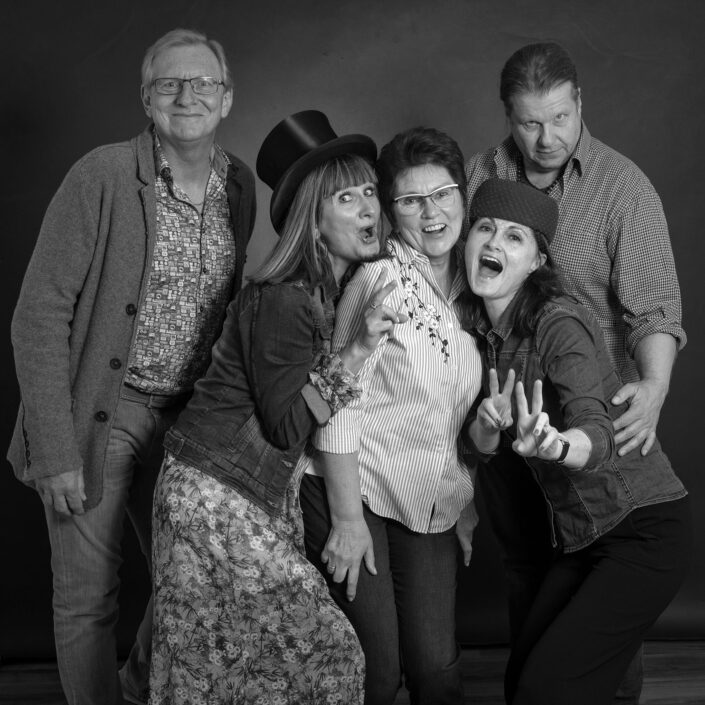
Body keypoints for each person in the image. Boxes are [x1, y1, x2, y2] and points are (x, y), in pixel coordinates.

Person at [7, 28, 255, 705]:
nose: (187, 95)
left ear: (227, 98)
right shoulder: (103, 175)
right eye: (169, 83)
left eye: (202, 82)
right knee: (88, 600)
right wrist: (54, 448)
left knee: (196, 579)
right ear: (147, 99)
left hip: (188, 422)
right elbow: (37, 316)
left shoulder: (239, 185)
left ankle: (133, 689)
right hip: (101, 413)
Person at [148, 110, 406, 705]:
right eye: (346, 197)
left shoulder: (325, 292)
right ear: (313, 221)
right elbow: (287, 426)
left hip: (243, 493)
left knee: (226, 669)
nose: (368, 208)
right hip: (214, 497)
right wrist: (356, 351)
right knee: (322, 655)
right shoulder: (285, 299)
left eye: (370, 191)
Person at [464, 42, 686, 702]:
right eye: (530, 122)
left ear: (579, 102)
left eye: (560, 118)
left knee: (596, 612)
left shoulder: (621, 187)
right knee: (529, 581)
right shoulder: (479, 177)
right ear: (507, 115)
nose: (547, 138)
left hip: (585, 418)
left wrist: (654, 386)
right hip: (505, 413)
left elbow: (652, 309)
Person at [299, 126, 482, 705]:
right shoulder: (379, 280)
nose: (431, 212)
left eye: (443, 194)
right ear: (390, 209)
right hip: (357, 490)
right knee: (373, 673)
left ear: (462, 196)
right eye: (410, 200)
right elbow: (339, 406)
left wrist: (463, 497)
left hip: (427, 498)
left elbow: (454, 415)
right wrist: (346, 521)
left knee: (435, 670)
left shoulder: (477, 286)